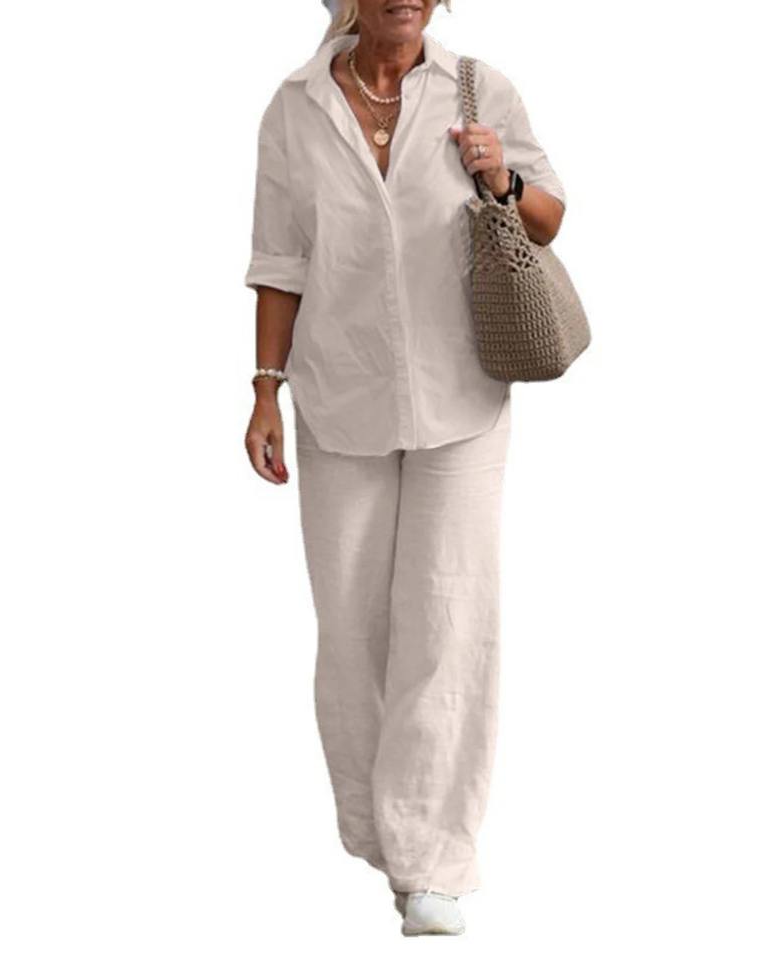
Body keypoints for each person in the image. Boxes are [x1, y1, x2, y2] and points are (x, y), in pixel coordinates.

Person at [243, 0, 566, 936]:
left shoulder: (478, 87)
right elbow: (279, 260)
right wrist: (265, 389)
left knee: (449, 619)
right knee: (354, 630)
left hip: (461, 392)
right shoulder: (296, 106)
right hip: (339, 392)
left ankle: (434, 860)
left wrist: (501, 175)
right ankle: (381, 830)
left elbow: (549, 217)